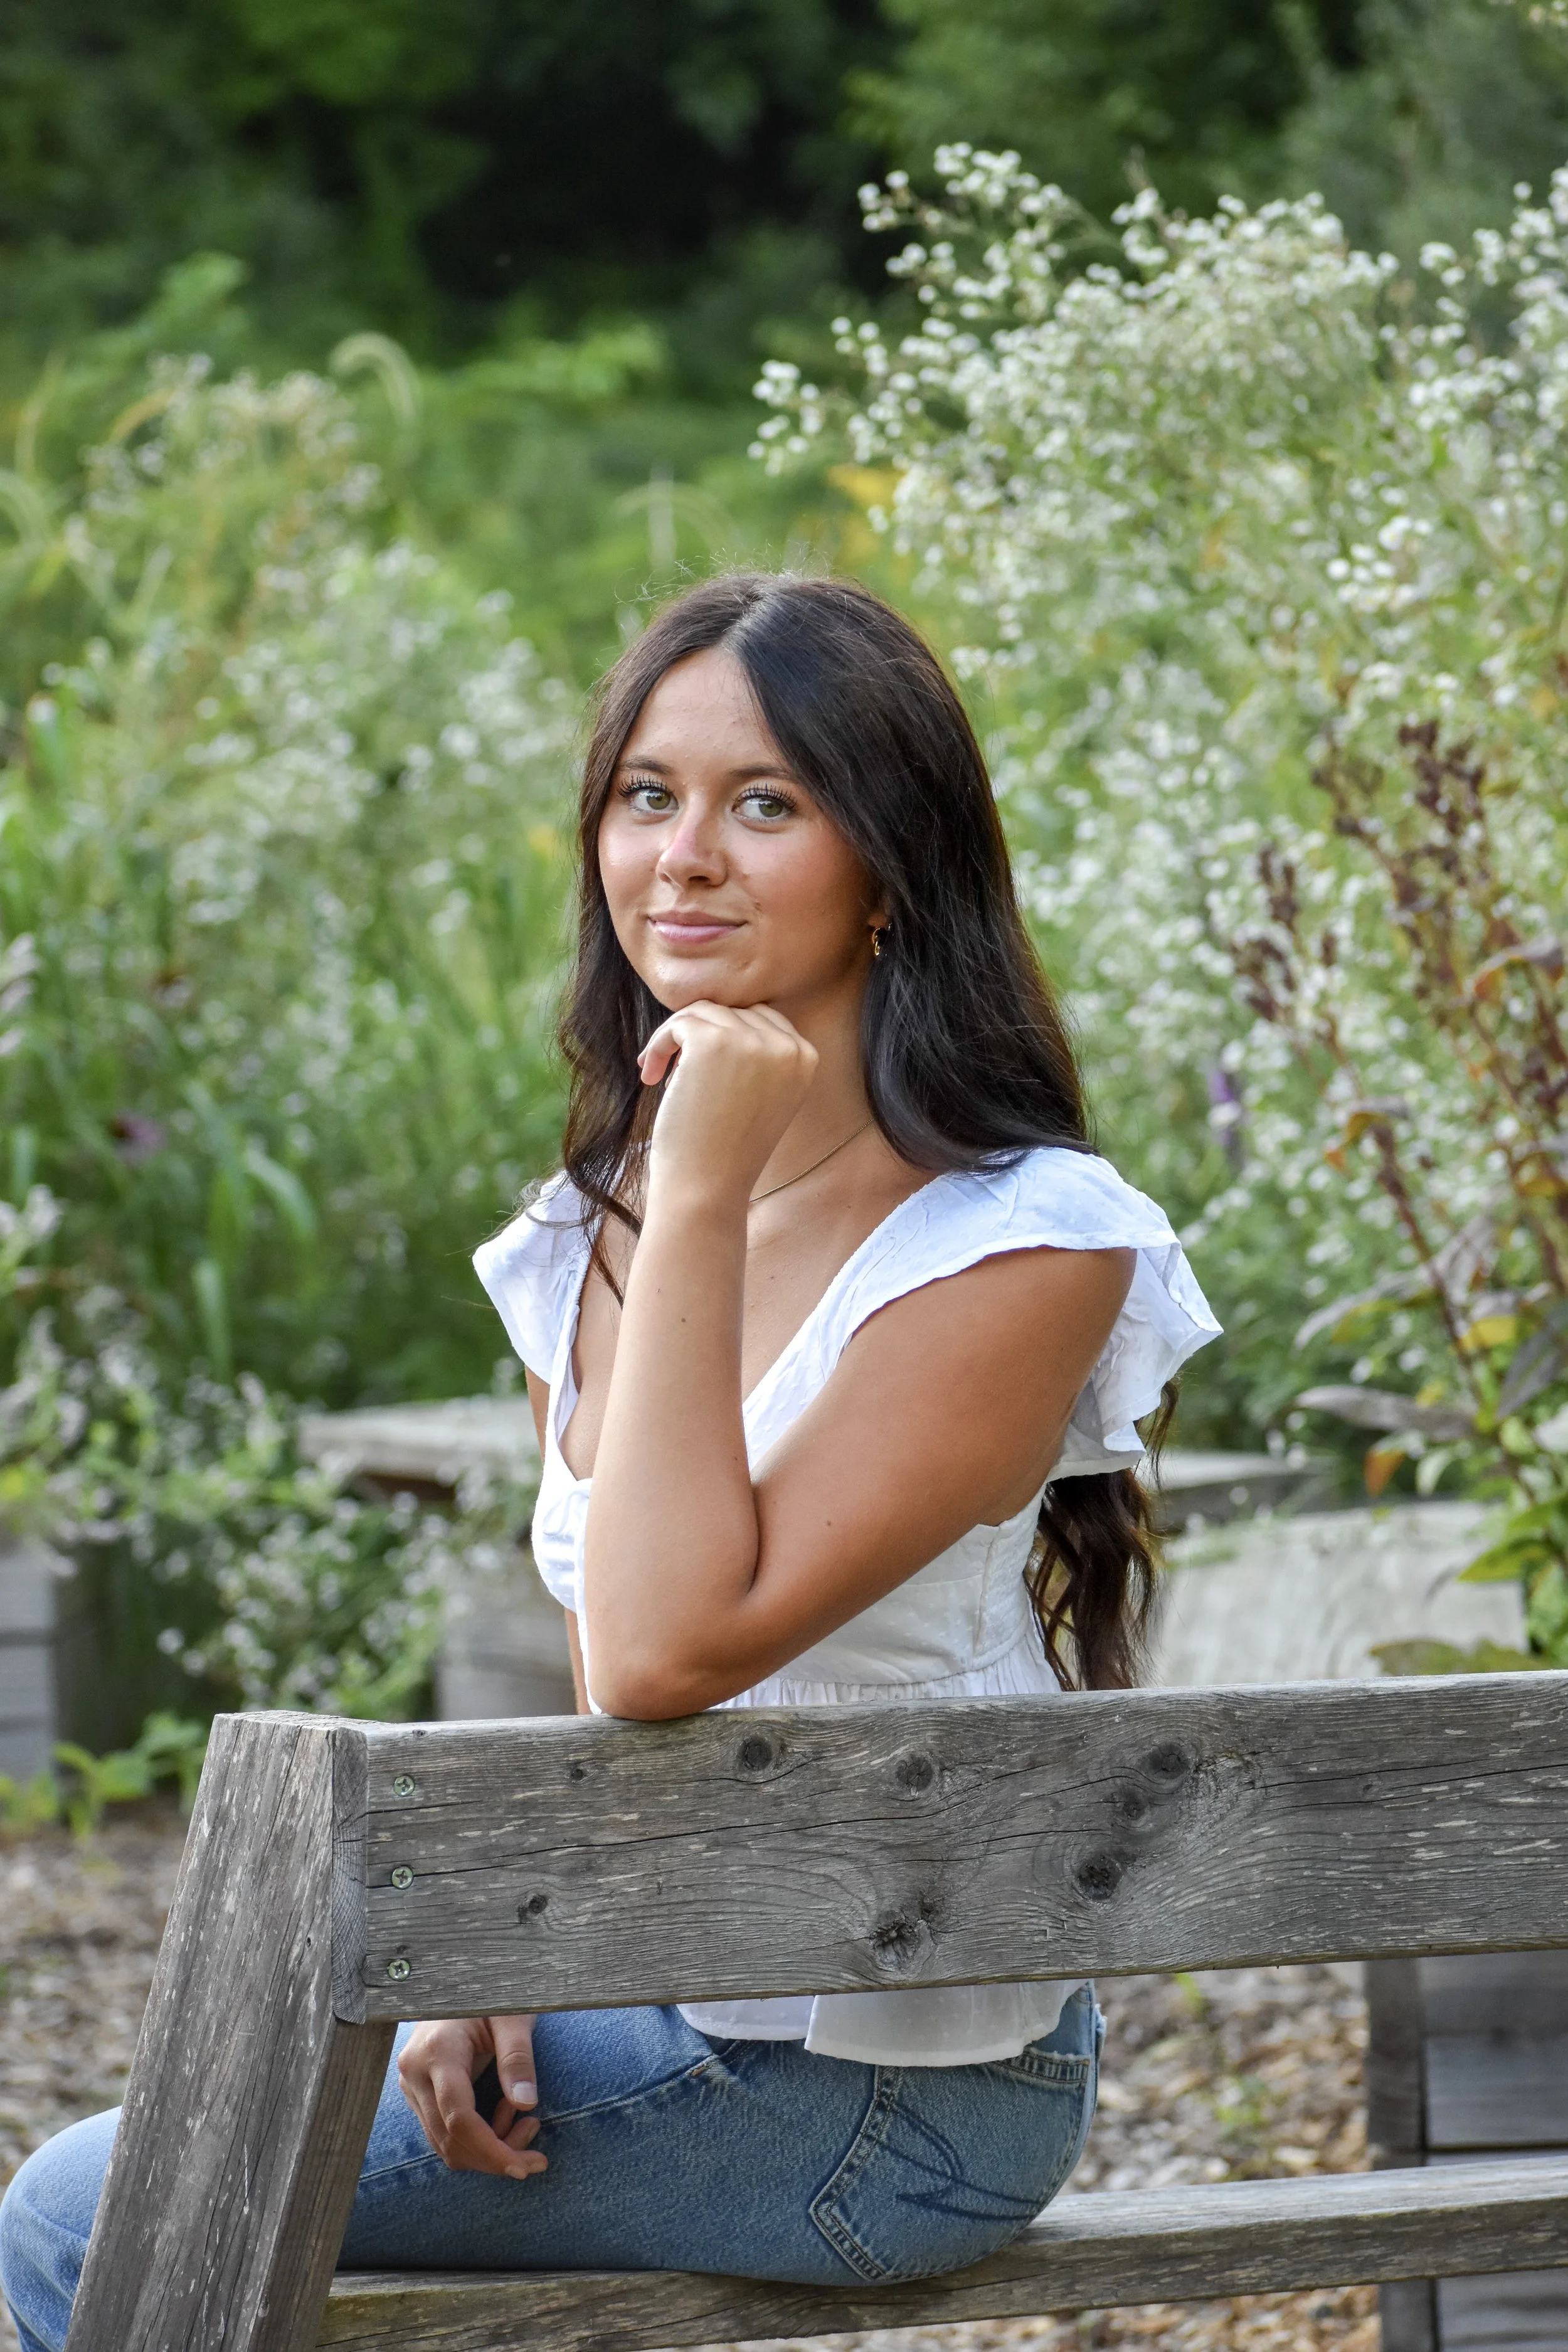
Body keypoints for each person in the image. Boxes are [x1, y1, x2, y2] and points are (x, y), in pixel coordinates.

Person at [0, 573, 1217, 2347]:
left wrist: (702, 1177)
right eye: (646, 795)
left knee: (78, 2216)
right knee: (189, 2183)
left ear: (890, 865)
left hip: (881, 2086)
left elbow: (661, 1646)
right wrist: (497, 1943)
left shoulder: (1016, 1245)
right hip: (677, 2002)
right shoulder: (579, 1236)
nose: (684, 856)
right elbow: (610, 1695)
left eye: (767, 802)